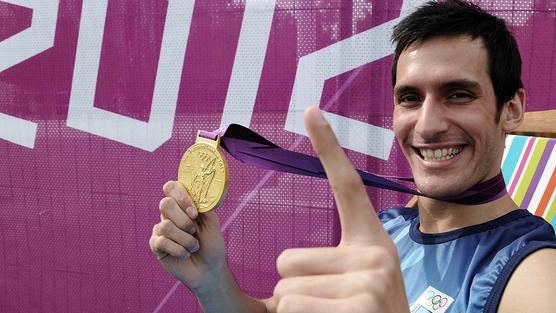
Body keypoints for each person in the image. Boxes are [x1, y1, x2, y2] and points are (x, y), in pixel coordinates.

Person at [149, 0, 556, 312]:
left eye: (459, 94)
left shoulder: (532, 271)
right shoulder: (384, 230)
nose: (428, 124)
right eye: (410, 98)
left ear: (513, 109)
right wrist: (212, 280)